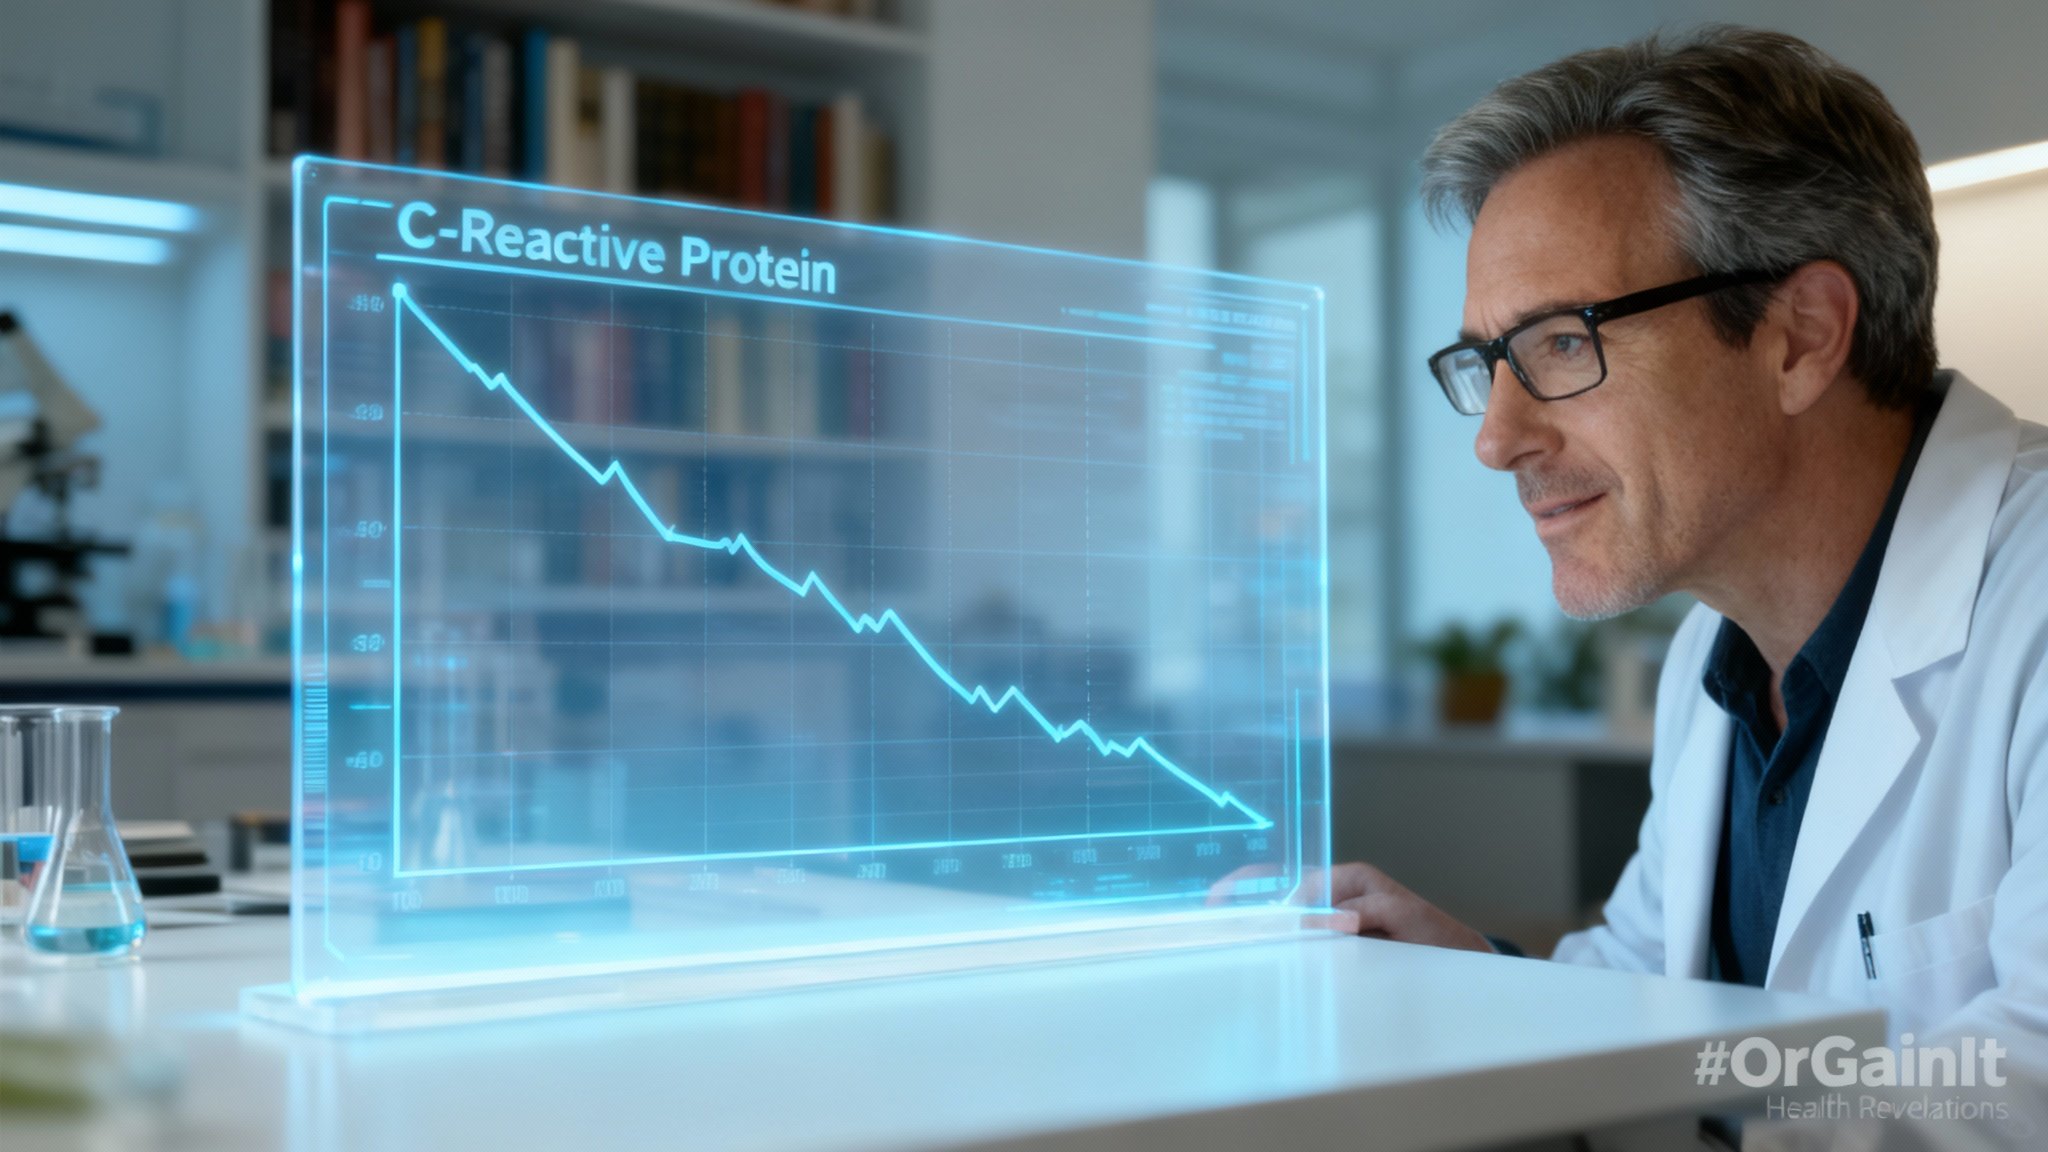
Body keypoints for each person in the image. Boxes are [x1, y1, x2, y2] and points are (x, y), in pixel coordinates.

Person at [1326, 24, 2048, 1068]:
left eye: (1561, 344)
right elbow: (1647, 987)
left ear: (1798, 335)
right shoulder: (1713, 661)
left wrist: (1664, 1120)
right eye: (1487, 363)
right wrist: (1471, 980)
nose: (1495, 440)